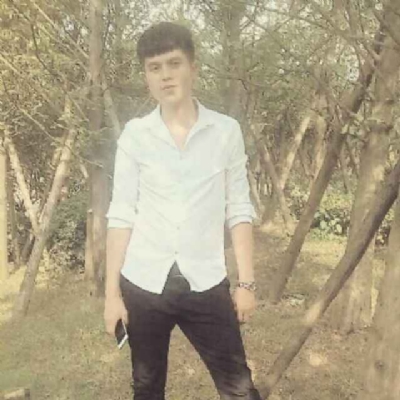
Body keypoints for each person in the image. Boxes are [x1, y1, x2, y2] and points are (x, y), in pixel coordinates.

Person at [104, 21, 262, 400]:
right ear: (146, 75)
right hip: (144, 282)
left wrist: (246, 284)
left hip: (205, 280)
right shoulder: (135, 136)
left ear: (192, 66)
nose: (165, 76)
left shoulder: (225, 132)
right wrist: (112, 296)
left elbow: (239, 209)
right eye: (154, 68)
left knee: (239, 387)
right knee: (147, 387)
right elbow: (121, 215)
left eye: (173, 63)